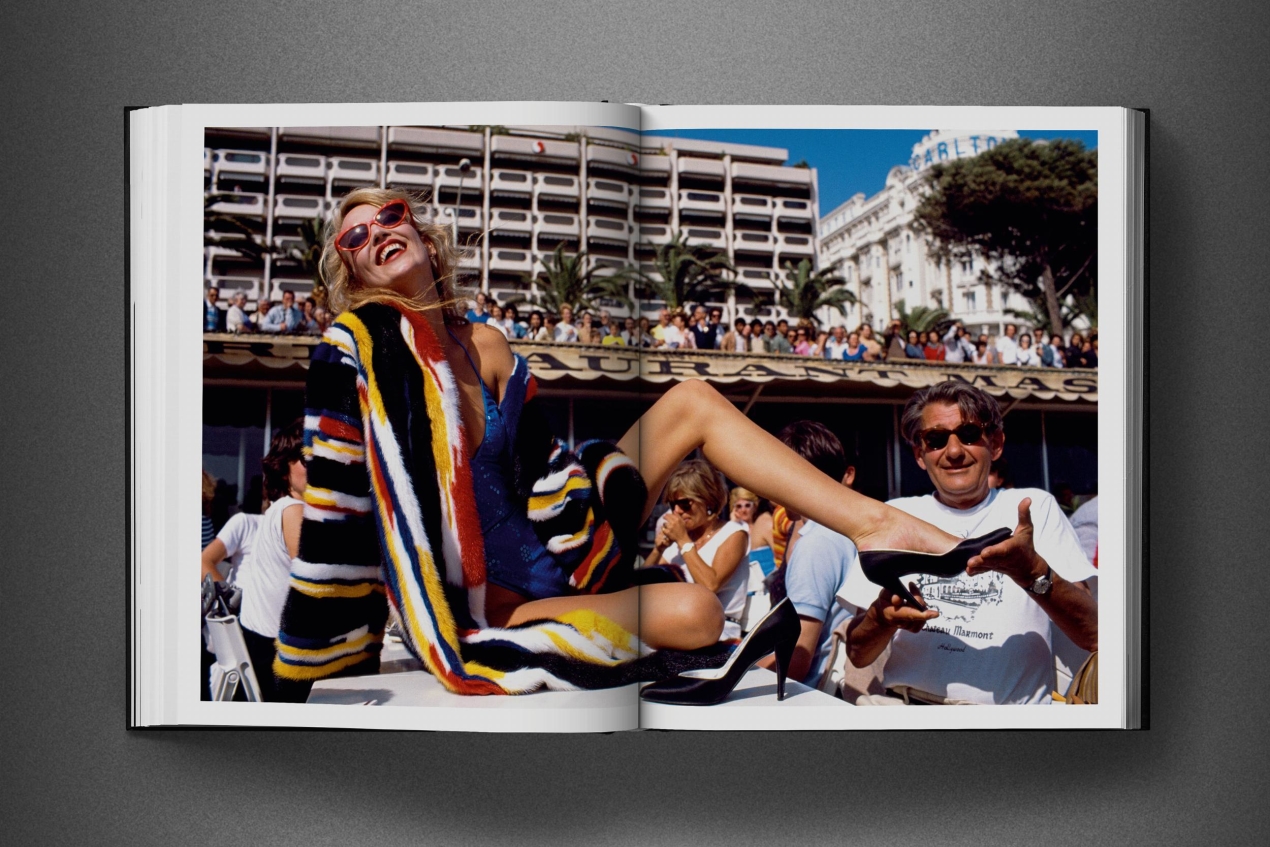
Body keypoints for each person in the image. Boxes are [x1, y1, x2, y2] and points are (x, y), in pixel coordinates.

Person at [273, 187, 1002, 700]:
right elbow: (338, 509)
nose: (377, 233)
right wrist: (322, 663)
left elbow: (541, 473)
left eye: (390, 216)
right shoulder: (356, 355)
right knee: (699, 613)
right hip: (500, 605)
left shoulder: (486, 343)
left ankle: (877, 525)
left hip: (571, 546)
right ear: (353, 272)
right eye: (355, 237)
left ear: (425, 237)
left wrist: (601, 501)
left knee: (691, 399)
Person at [843, 381, 1098, 705]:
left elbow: (1093, 633)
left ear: (996, 444)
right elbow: (858, 655)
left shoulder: (1034, 508)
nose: (953, 451)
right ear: (920, 455)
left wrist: (1032, 572)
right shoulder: (895, 516)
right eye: (936, 439)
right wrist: (881, 619)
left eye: (968, 434)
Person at [754, 421, 859, 688]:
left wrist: (730, 674)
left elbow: (795, 661)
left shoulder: (817, 542)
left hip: (810, 693)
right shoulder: (844, 530)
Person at [235, 420, 307, 701]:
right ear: (284, 467)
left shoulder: (276, 510)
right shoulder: (294, 510)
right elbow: (317, 583)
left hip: (258, 649)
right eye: (306, 458)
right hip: (279, 663)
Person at [644, 461, 751, 642]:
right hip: (674, 627)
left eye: (685, 504)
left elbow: (710, 586)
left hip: (718, 631)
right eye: (673, 504)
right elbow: (641, 587)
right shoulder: (678, 541)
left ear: (708, 501)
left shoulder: (734, 534)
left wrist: (684, 541)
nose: (677, 511)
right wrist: (658, 550)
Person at [730, 486, 775, 576]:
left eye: (747, 505)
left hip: (769, 579)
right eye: (739, 506)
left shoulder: (764, 523)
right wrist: (732, 524)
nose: (743, 510)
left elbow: (779, 554)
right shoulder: (733, 530)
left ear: (755, 506)